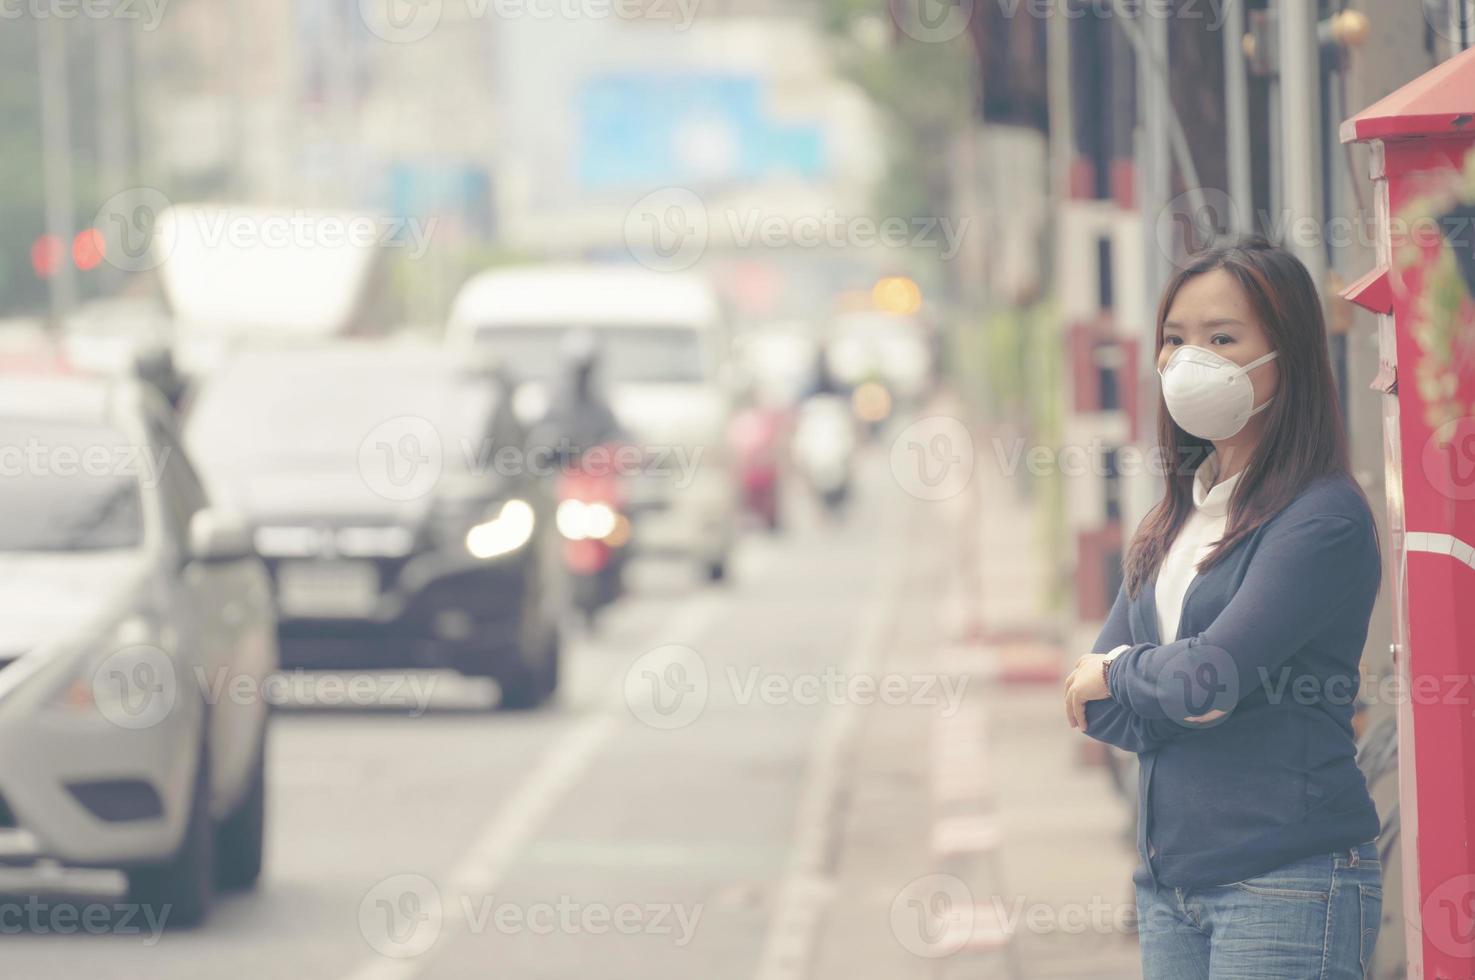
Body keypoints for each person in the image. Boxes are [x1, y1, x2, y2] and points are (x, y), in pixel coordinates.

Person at [1062, 237, 1383, 979]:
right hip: (1171, 888)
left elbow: (1203, 679)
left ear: (1286, 353)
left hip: (1286, 883)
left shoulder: (1318, 519)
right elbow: (1100, 708)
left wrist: (1131, 672)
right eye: (1173, 340)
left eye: (1220, 338)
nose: (1187, 360)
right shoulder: (1180, 515)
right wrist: (1154, 681)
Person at [531, 330, 623, 458]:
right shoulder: (556, 409)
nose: (582, 377)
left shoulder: (602, 411)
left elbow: (616, 437)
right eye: (579, 371)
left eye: (586, 370)